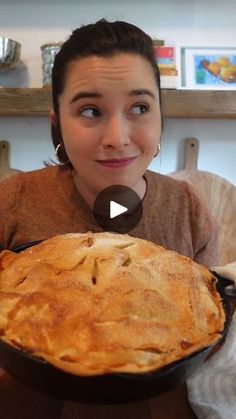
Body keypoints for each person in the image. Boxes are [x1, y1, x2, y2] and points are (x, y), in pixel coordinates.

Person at [0, 19, 218, 419]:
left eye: (139, 107)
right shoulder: (12, 200)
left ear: (160, 118)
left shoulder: (190, 211)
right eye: (90, 110)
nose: (117, 136)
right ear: (57, 125)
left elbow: (207, 344)